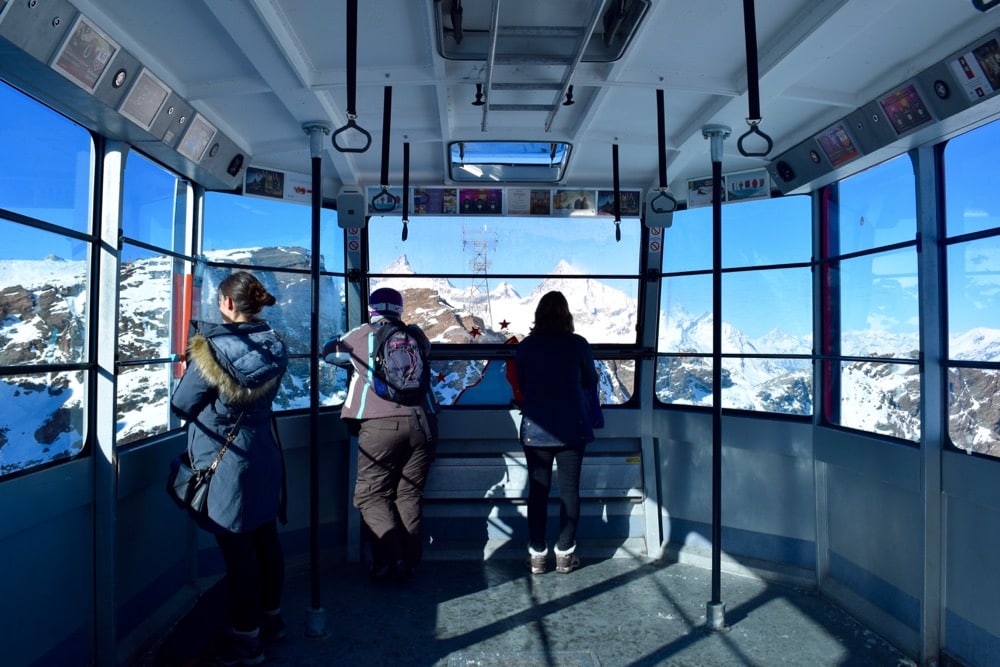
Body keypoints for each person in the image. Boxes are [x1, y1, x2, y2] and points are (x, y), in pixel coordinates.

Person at [170, 271, 289, 666]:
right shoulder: (274, 346)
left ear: (228, 304)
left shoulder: (212, 351)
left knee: (238, 552)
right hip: (263, 454)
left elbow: (182, 403)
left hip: (226, 462)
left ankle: (246, 638)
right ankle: (272, 620)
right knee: (265, 540)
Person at [322, 286, 437, 583]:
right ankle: (410, 562)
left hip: (379, 425)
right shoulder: (416, 335)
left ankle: (390, 559)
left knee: (371, 496)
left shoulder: (364, 334)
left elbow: (329, 353)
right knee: (408, 494)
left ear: (373, 309)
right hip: (422, 423)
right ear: (399, 310)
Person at [515, 290, 599, 574]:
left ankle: (537, 554)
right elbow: (589, 379)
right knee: (569, 490)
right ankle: (565, 552)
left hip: (536, 430)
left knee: (538, 491)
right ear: (567, 315)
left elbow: (522, 384)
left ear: (538, 315)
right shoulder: (578, 345)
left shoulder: (526, 346)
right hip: (572, 429)